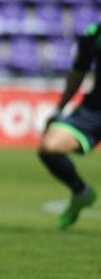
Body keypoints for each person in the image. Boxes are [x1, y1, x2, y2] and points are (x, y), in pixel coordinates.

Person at [38, 21, 101, 229]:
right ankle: (81, 192)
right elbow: (78, 72)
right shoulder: (94, 34)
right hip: (94, 111)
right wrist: (59, 109)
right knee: (49, 147)